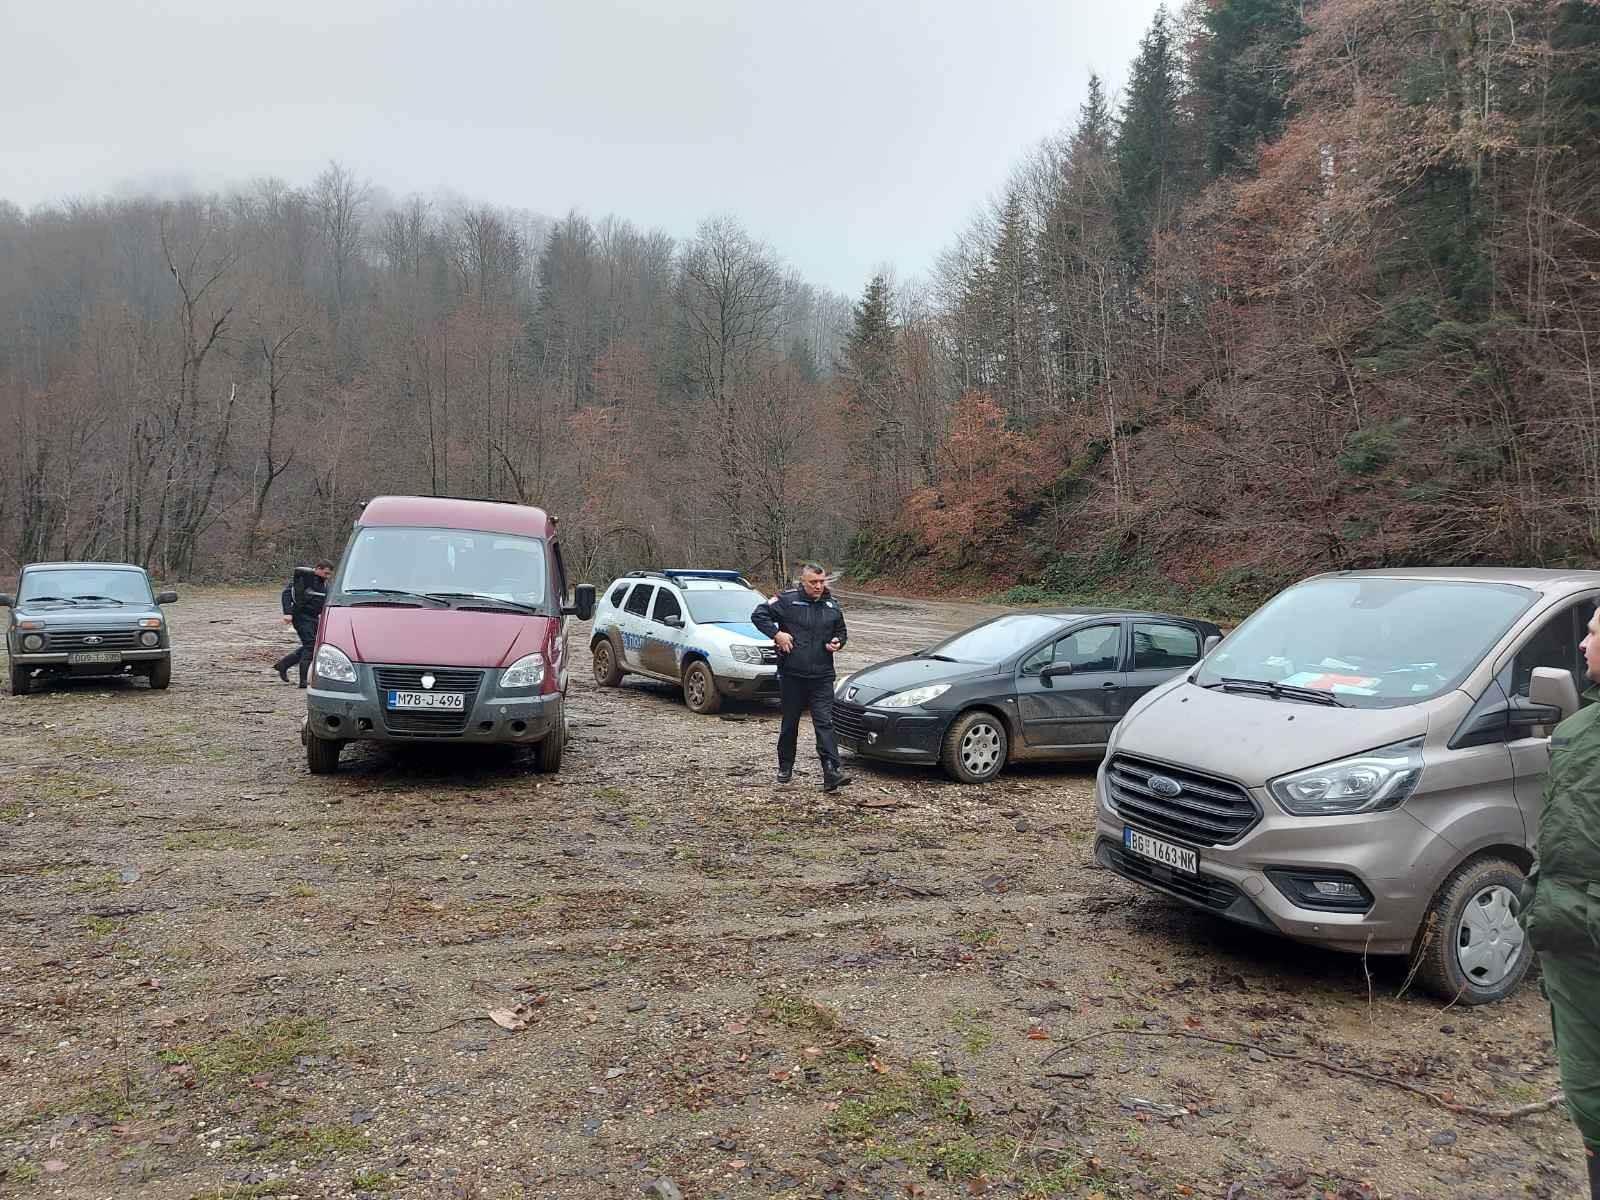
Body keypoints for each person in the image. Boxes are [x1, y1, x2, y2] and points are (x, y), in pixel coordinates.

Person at [1519, 602, 1600, 1199]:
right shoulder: (1581, 730)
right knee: (1588, 1089)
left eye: (1594, 633)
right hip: (1570, 931)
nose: (1582, 644)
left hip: (1581, 925)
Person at [751, 563, 851, 792]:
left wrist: (838, 642)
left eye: (821, 581)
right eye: (813, 582)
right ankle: (785, 765)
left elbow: (841, 632)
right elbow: (758, 615)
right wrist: (777, 634)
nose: (818, 586)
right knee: (790, 723)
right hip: (792, 675)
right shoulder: (787, 601)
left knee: (825, 722)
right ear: (803, 582)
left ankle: (831, 771)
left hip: (822, 676)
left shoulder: (832, 605)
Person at [272, 560, 333, 688]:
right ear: (318, 569)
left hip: (314, 617)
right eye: (325, 573)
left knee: (313, 645)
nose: (327, 576)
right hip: (301, 616)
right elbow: (286, 594)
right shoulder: (305, 578)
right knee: (310, 646)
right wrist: (287, 613)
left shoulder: (324, 583)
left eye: (329, 574)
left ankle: (284, 664)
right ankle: (303, 680)